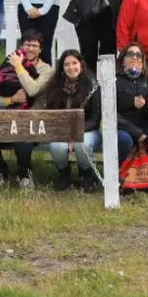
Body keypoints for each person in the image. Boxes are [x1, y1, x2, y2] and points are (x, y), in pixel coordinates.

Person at [0, 30, 53, 189]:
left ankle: (25, 174)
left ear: (41, 49)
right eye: (27, 44)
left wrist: (19, 66)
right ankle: (0, 173)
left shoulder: (46, 70)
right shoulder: (7, 64)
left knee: (23, 139)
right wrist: (11, 100)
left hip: (30, 121)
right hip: (6, 118)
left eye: (35, 45)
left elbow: (32, 90)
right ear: (21, 46)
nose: (30, 49)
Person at [43, 49, 103, 193]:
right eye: (67, 64)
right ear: (62, 68)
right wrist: (66, 134)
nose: (71, 67)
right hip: (62, 130)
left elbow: (95, 118)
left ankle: (86, 175)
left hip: (88, 129)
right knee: (57, 146)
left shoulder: (92, 85)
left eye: (74, 63)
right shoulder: (54, 87)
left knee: (81, 145)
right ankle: (64, 175)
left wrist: (75, 133)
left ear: (81, 64)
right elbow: (52, 115)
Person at [114, 43, 148, 176]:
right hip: (123, 128)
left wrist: (145, 106)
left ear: (143, 60)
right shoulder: (114, 79)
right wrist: (136, 132)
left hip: (146, 127)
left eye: (138, 55)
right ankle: (123, 171)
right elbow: (111, 113)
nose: (135, 57)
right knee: (124, 140)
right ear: (123, 59)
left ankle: (147, 166)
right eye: (130, 54)